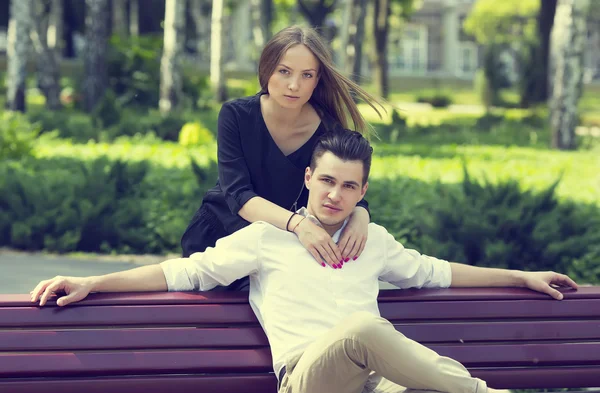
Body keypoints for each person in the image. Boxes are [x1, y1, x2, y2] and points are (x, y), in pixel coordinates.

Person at [31, 129, 578, 393]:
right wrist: (95, 282)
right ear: (308, 178)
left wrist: (521, 276)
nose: (335, 195)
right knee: (364, 326)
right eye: (327, 181)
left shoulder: (375, 240)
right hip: (308, 380)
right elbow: (184, 271)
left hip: (375, 383)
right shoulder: (266, 238)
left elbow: (438, 270)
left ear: (362, 192)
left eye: (349, 186)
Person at [180, 25, 387, 290]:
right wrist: (299, 225)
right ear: (267, 70)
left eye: (307, 75)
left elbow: (344, 183)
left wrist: (361, 214)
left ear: (317, 80)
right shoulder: (236, 116)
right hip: (219, 237)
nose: (294, 85)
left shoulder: (328, 129)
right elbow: (239, 195)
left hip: (278, 250)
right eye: (284, 71)